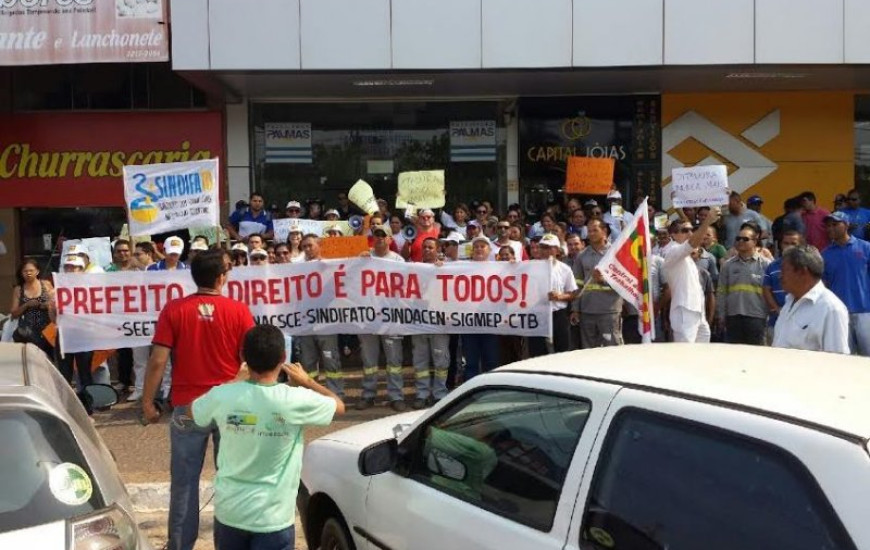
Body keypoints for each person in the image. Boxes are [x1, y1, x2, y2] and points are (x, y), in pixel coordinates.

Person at [191, 325, 344, 549]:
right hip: (273, 519)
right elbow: (339, 406)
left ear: (243, 356)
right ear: (283, 358)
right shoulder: (295, 399)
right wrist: (307, 382)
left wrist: (234, 381)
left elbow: (193, 411)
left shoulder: (223, 394)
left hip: (230, 514)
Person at [142, 249, 255, 550]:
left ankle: (179, 545)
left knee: (184, 483)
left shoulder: (173, 309)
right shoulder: (239, 310)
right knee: (232, 480)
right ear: (221, 278)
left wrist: (147, 401)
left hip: (188, 407)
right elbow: (250, 362)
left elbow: (157, 361)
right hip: (231, 406)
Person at [357, 225, 407, 411]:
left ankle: (396, 396)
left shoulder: (398, 261)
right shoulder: (363, 257)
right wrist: (357, 262)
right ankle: (368, 394)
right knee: (368, 360)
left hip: (390, 317)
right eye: (375, 235)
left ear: (389, 239)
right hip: (368, 316)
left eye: (382, 235)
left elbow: (406, 290)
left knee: (394, 360)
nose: (378, 238)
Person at [773, 245, 850, 354]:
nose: (779, 276)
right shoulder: (789, 302)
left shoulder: (831, 309)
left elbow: (837, 360)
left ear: (803, 272)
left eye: (784, 270)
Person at [296, 235, 345, 401]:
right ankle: (312, 396)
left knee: (331, 360)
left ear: (319, 246)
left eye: (310, 245)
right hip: (306, 322)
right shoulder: (297, 269)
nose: (307, 249)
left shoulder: (330, 266)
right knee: (308, 363)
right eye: (304, 247)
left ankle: (336, 394)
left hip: (326, 321)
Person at [662, 208, 721, 343]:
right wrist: (707, 221)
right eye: (685, 230)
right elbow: (693, 242)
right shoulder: (672, 251)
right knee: (685, 356)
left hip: (698, 312)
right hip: (684, 311)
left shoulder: (687, 257)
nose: (690, 233)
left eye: (690, 230)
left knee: (701, 356)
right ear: (673, 235)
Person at [821, 211, 870, 356]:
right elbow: (823, 285)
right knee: (844, 358)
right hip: (839, 313)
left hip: (865, 311)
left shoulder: (865, 247)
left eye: (835, 224)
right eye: (828, 226)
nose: (831, 228)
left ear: (847, 225)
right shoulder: (825, 254)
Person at [410, 237, 450, 409]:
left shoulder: (446, 268)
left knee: (441, 360)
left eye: (430, 247)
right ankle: (422, 393)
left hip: (439, 322)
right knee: (420, 361)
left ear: (437, 249)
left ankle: (440, 394)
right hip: (418, 321)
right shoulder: (412, 268)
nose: (427, 250)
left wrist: (443, 269)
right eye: (424, 247)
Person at [570, 220, 623, 348]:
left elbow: (623, 283)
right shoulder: (581, 256)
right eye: (589, 231)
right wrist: (575, 309)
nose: (591, 234)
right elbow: (577, 284)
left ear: (604, 231)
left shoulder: (616, 254)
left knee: (612, 347)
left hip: (609, 311)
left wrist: (603, 280)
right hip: (587, 311)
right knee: (589, 349)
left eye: (595, 230)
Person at [716, 224, 770, 345]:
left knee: (757, 354)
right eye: (738, 238)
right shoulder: (728, 265)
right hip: (733, 316)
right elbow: (721, 292)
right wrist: (721, 315)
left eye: (745, 239)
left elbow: (769, 292)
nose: (740, 241)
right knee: (734, 356)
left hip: (757, 316)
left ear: (755, 241)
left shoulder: (766, 265)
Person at [105, 239, 143, 394]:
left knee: (139, 351)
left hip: (137, 314)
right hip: (118, 315)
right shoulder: (108, 271)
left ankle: (138, 383)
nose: (123, 254)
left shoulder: (139, 270)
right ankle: (124, 381)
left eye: (126, 250)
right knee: (123, 350)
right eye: (119, 251)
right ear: (114, 254)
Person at [530, 234, 577, 357]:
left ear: (557, 249)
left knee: (561, 349)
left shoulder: (565, 269)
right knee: (537, 351)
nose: (547, 251)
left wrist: (560, 297)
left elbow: (573, 293)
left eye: (550, 247)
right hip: (537, 314)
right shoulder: (530, 267)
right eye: (544, 247)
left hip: (558, 314)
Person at [461, 236, 500, 380]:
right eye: (476, 246)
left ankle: (490, 388)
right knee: (471, 361)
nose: (479, 249)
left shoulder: (498, 268)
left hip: (490, 321)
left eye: (482, 246)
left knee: (491, 359)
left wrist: (513, 267)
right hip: (469, 321)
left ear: (489, 250)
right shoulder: (461, 267)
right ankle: (471, 391)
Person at [763, 230, 803, 343]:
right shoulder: (772, 266)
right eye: (786, 243)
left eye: (793, 244)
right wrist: (777, 309)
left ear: (800, 246)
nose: (789, 247)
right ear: (781, 245)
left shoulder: (805, 267)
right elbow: (766, 289)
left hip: (800, 322)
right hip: (776, 320)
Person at [9, 258, 54, 359]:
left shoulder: (46, 285)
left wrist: (44, 305)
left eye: (31, 270)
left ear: (37, 271)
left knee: (48, 360)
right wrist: (27, 305)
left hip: (46, 331)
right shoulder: (18, 289)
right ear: (21, 273)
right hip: (27, 333)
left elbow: (54, 303)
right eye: (25, 271)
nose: (28, 273)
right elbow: (14, 313)